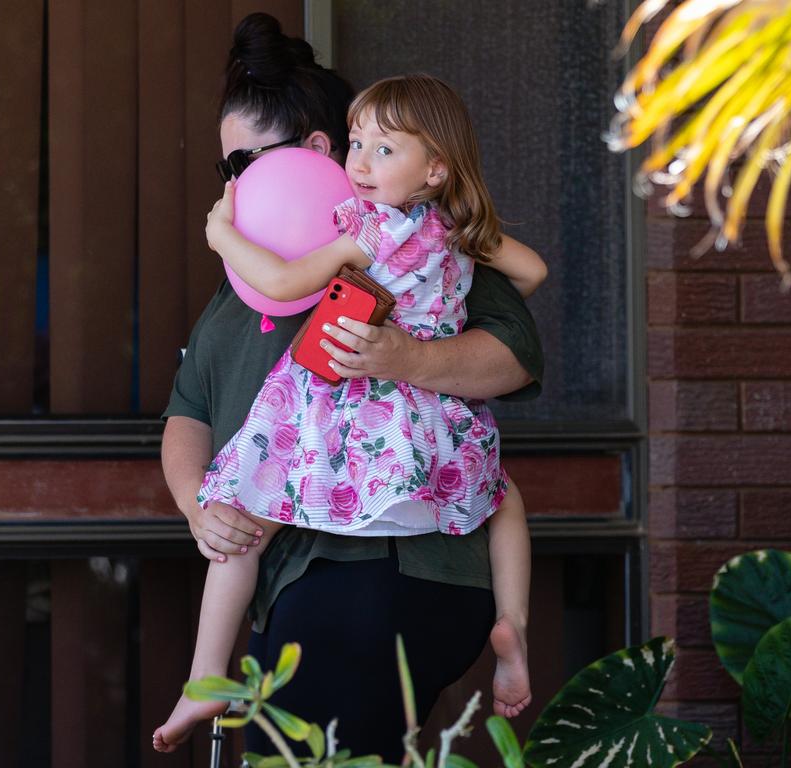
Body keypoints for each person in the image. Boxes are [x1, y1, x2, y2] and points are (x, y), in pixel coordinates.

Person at [156, 14, 545, 762]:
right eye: (225, 170)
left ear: (312, 153)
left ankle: (202, 681)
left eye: (245, 163)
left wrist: (401, 356)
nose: (236, 184)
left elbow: (513, 355)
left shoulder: (381, 237)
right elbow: (190, 410)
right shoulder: (243, 289)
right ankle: (205, 683)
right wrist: (197, 508)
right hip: (288, 577)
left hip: (376, 567)